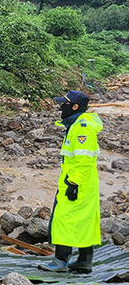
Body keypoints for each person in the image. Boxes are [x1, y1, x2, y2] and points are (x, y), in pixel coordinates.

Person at [39, 90, 102, 273]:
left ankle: (61, 261)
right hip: (83, 183)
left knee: (63, 219)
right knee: (84, 221)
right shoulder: (78, 125)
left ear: (75, 106)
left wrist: (73, 183)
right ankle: (84, 261)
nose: (61, 107)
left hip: (77, 183)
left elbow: (83, 160)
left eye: (64, 104)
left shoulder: (82, 128)